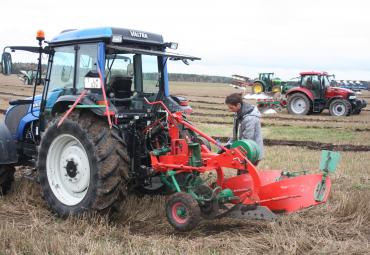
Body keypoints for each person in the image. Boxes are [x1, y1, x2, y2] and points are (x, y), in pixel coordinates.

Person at [225, 93, 264, 164]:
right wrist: (228, 145)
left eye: (231, 108)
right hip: (243, 150)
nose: (229, 110)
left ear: (238, 105)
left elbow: (247, 138)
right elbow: (235, 133)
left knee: (245, 173)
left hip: (252, 151)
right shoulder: (238, 113)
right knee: (241, 172)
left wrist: (234, 149)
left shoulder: (250, 118)